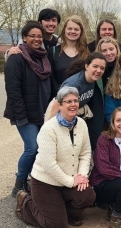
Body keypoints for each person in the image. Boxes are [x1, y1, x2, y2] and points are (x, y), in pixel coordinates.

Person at [15, 87, 96, 228]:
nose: (73, 104)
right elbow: (48, 164)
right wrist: (71, 181)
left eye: (75, 101)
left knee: (88, 195)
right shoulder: (49, 129)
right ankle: (26, 202)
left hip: (69, 180)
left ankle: (62, 212)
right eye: (68, 102)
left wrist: (82, 176)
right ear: (59, 105)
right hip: (46, 182)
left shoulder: (82, 125)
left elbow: (85, 153)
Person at [4, 21, 53, 197]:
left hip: (41, 112)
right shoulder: (16, 58)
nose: (36, 39)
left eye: (39, 36)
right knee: (32, 147)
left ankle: (34, 182)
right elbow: (13, 90)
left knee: (41, 148)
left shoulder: (43, 57)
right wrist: (21, 116)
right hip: (24, 113)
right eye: (32, 36)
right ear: (24, 38)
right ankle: (19, 184)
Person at [61, 52, 106, 150]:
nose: (98, 70)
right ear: (86, 66)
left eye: (102, 68)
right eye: (95, 66)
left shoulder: (92, 80)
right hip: (63, 123)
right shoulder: (74, 85)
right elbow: (57, 106)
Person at [48, 15, 89, 91]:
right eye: (69, 28)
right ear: (64, 30)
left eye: (76, 29)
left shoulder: (87, 52)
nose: (72, 31)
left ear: (81, 32)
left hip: (81, 97)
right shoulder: (53, 52)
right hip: (59, 97)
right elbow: (50, 78)